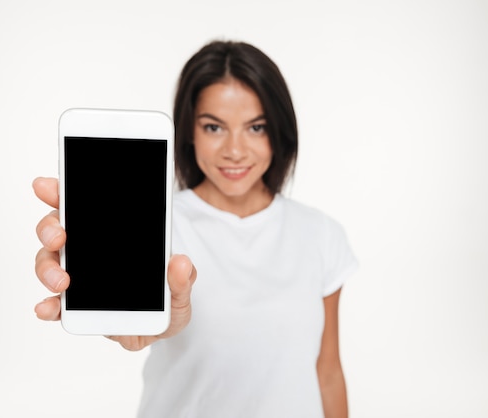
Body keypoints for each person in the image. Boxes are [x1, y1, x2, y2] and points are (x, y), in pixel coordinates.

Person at [33, 40, 358, 418]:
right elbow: (141, 322)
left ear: (279, 131)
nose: (235, 151)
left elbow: (328, 371)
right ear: (189, 130)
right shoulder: (154, 223)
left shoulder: (321, 234)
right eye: (214, 127)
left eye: (256, 127)